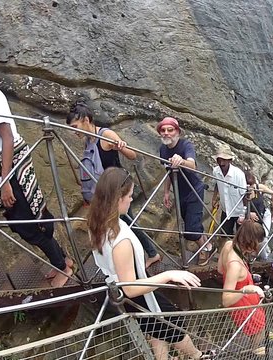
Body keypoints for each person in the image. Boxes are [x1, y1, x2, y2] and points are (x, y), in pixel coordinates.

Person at [0, 54, 72, 287]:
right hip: (1, 166)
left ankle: (62, 267)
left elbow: (6, 138)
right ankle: (63, 259)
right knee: (23, 219)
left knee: (29, 221)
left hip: (12, 164)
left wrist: (6, 180)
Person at [89, 168, 214, 359]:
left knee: (161, 326)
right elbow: (130, 287)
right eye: (129, 196)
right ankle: (197, 356)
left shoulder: (97, 222)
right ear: (117, 198)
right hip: (135, 294)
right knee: (172, 323)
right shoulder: (120, 240)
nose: (131, 199)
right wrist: (169, 275)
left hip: (124, 289)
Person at [67, 102, 161, 267]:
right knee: (122, 223)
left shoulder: (106, 135)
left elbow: (132, 155)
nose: (74, 131)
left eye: (75, 126)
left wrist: (122, 147)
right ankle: (132, 258)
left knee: (126, 223)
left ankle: (147, 255)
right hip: (107, 189)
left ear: (86, 120)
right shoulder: (88, 139)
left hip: (119, 188)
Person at [157, 117, 213, 265]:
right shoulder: (162, 149)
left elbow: (192, 165)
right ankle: (207, 245)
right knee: (190, 223)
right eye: (163, 130)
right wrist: (167, 192)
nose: (166, 133)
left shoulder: (185, 145)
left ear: (177, 132)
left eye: (170, 130)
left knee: (191, 230)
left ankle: (205, 249)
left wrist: (181, 161)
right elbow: (168, 171)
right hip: (179, 191)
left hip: (194, 189)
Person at [217, 221, 266, 355]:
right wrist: (245, 288)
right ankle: (254, 350)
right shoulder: (235, 265)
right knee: (259, 326)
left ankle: (253, 343)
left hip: (244, 294)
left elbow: (220, 269)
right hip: (241, 301)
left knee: (258, 323)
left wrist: (242, 279)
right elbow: (226, 300)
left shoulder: (228, 245)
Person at [243, 171, 273, 260]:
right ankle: (258, 253)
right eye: (248, 185)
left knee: (263, 235)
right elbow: (240, 206)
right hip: (252, 218)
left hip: (264, 215)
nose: (250, 187)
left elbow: (272, 192)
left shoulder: (258, 187)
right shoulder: (242, 191)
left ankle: (264, 257)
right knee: (252, 236)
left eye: (251, 185)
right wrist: (248, 213)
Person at [212, 145, 247, 236]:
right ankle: (223, 249)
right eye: (219, 160)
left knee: (240, 238)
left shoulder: (239, 174)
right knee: (224, 235)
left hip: (238, 211)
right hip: (225, 210)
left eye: (224, 160)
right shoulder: (216, 171)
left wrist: (243, 214)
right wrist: (215, 198)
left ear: (229, 160)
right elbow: (217, 184)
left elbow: (245, 195)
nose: (221, 163)